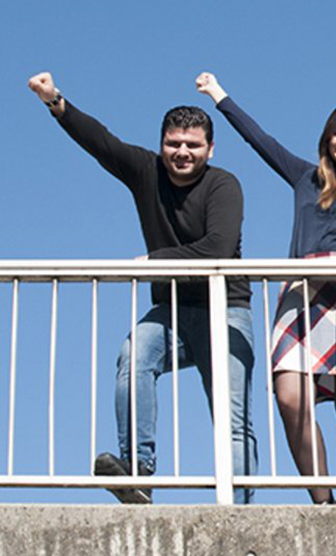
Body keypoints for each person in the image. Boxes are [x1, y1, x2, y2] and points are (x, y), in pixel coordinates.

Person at [27, 72, 257, 504]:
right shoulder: (147, 172)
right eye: (173, 144)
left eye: (192, 145)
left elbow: (217, 248)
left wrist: (155, 261)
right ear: (161, 145)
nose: (182, 152)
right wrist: (54, 100)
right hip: (170, 309)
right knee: (134, 356)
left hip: (225, 309)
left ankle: (240, 509)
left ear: (209, 149)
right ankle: (137, 471)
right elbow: (103, 143)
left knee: (233, 419)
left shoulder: (223, 185)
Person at [196, 73, 336, 505]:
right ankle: (323, 502)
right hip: (304, 293)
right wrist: (220, 96)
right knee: (291, 396)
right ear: (327, 138)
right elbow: (261, 140)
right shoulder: (305, 178)